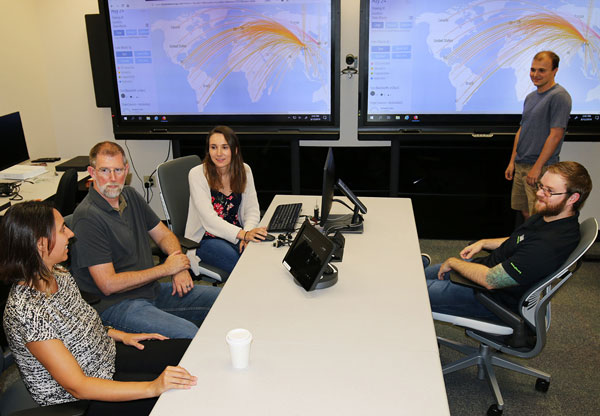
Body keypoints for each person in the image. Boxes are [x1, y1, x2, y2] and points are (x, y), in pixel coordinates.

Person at [1, 201, 196, 415]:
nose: (71, 233)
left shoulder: (57, 272)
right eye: (63, 229)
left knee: (190, 352)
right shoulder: (26, 312)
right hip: (80, 399)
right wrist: (153, 387)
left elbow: (78, 321)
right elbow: (78, 386)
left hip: (105, 355)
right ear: (41, 244)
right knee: (179, 398)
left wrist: (119, 334)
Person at [70, 141, 220, 339]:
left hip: (150, 290)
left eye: (118, 170)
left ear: (127, 170)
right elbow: (108, 284)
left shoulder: (130, 195)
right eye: (105, 170)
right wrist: (167, 269)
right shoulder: (87, 217)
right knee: (188, 335)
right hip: (115, 306)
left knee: (223, 301)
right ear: (92, 172)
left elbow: (164, 234)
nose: (113, 178)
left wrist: (179, 264)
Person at [426, 161, 592, 318]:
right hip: (480, 272)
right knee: (415, 276)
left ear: (572, 198)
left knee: (410, 291)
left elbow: (491, 280)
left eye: (549, 190)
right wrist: (484, 242)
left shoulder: (548, 246)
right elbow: (522, 239)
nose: (539, 194)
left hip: (488, 298)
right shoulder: (551, 216)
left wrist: (454, 263)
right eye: (541, 186)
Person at [185, 125, 267, 274]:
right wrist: (243, 234)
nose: (219, 153)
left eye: (225, 147)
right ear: (208, 151)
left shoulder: (244, 170)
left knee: (260, 258)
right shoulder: (197, 174)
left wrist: (247, 235)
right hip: (206, 238)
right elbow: (209, 220)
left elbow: (252, 210)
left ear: (234, 150)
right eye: (213, 147)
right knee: (243, 268)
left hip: (238, 233)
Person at [505, 51, 572, 220]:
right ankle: (530, 244)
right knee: (525, 211)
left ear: (554, 71)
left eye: (542, 70)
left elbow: (556, 135)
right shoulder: (530, 97)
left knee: (539, 213)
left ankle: (537, 246)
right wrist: (512, 161)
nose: (535, 74)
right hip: (522, 164)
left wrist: (537, 167)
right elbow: (522, 129)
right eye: (533, 69)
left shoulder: (559, 96)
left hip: (540, 167)